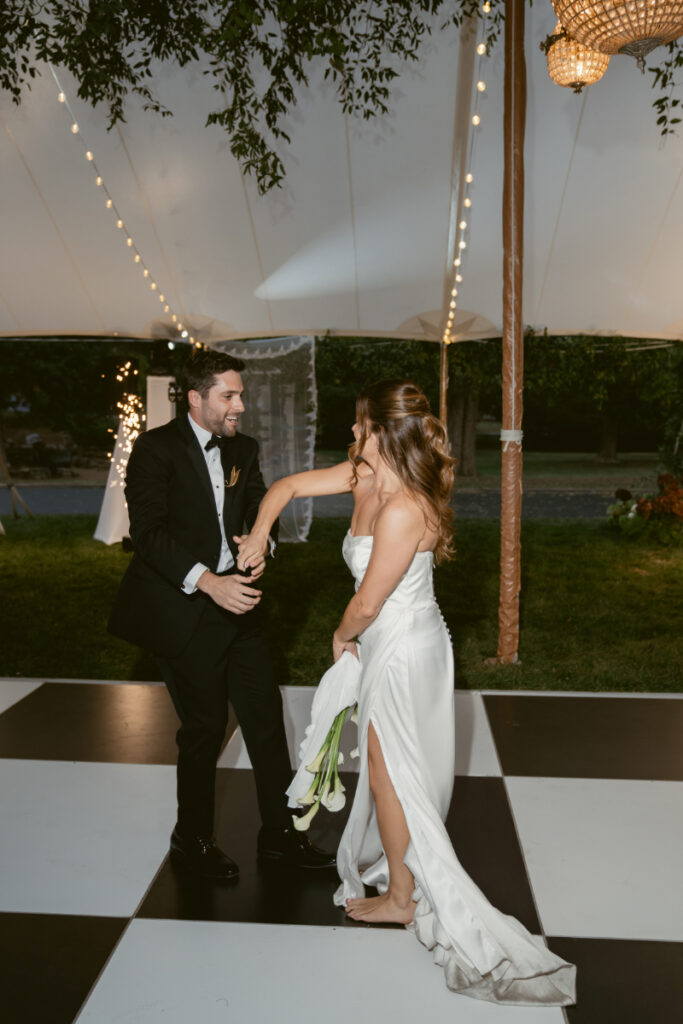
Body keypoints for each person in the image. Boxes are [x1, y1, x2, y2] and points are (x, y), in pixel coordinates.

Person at [236, 378, 576, 1005]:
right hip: (383, 642)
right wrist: (259, 534)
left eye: (360, 424)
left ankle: (402, 895)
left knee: (394, 775)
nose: (352, 434)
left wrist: (340, 640)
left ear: (385, 430)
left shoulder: (404, 507)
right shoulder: (362, 475)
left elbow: (367, 602)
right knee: (384, 771)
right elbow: (284, 488)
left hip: (405, 650)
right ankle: (398, 887)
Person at [109, 350, 334, 879]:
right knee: (205, 728)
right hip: (184, 610)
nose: (240, 404)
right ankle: (192, 841)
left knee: (264, 722)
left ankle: (281, 836)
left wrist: (262, 545)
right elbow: (148, 533)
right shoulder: (153, 449)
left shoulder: (244, 449)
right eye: (229, 395)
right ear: (196, 397)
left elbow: (261, 510)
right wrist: (209, 582)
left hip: (243, 608)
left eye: (240, 394)